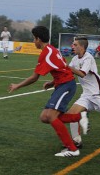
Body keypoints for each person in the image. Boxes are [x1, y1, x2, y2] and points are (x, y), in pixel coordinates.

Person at [8, 26, 82, 157]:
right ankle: (77, 117)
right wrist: (52, 82)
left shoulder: (46, 54)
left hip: (66, 85)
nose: (33, 41)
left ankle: (72, 149)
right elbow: (62, 67)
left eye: (34, 38)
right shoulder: (52, 49)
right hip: (61, 85)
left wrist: (17, 86)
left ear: (38, 39)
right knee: (44, 117)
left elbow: (34, 78)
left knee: (51, 116)